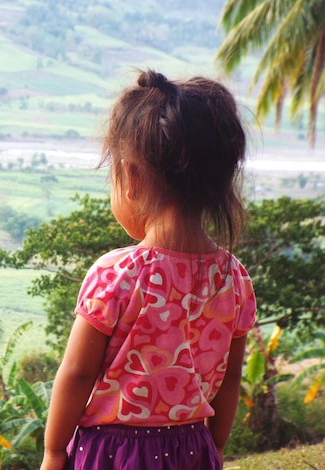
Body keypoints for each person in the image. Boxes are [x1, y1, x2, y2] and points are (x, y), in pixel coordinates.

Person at [40, 69, 257, 470]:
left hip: (114, 453)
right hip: (194, 449)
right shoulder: (234, 278)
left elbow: (76, 374)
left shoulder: (118, 273)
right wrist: (216, 448)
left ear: (133, 177)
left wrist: (54, 453)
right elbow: (229, 381)